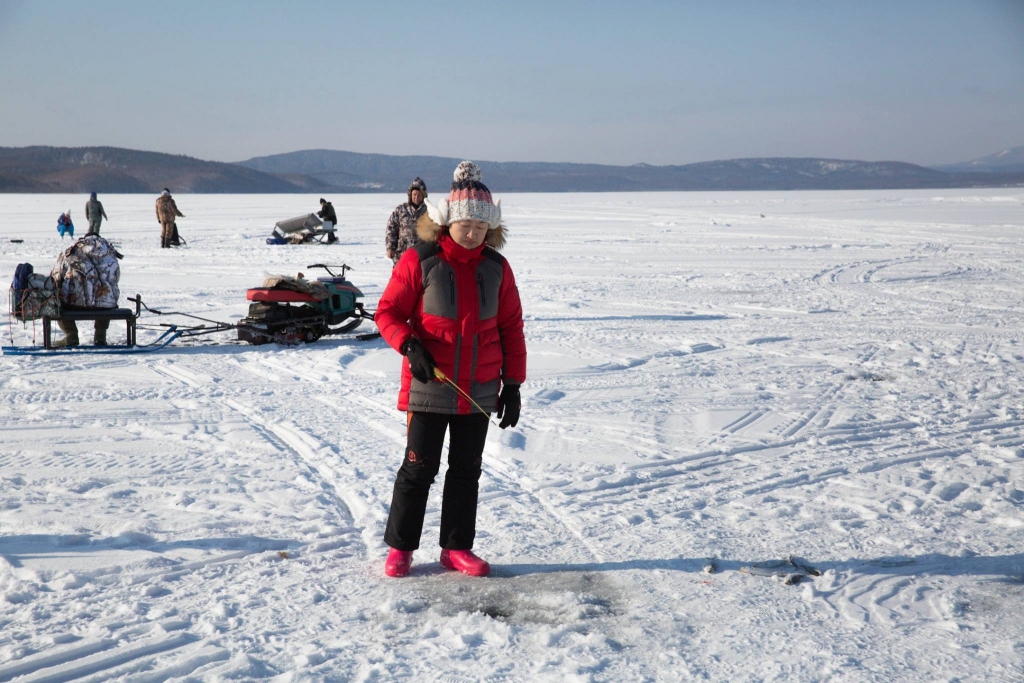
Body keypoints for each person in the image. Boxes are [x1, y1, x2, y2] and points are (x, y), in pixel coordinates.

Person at [375, 161, 526, 578]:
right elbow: (387, 312)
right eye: (465, 223)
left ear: (489, 227)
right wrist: (409, 345)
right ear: (449, 221)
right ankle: (401, 549)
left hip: (478, 390)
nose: (472, 232)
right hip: (429, 385)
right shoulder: (420, 260)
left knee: (465, 472)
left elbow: (511, 327)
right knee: (418, 469)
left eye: (481, 225)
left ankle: (456, 548)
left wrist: (512, 385)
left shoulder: (497, 269)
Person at [50, 234, 122, 347]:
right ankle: (100, 335)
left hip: (74, 304)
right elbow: (115, 279)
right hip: (105, 307)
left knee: (57, 303)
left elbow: (56, 277)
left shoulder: (71, 252)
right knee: (107, 299)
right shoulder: (111, 254)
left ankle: (71, 334)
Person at [385, 177, 428, 264]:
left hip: (422, 258)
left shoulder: (429, 212)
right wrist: (390, 247)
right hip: (402, 256)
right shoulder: (401, 210)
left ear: (423, 196)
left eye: (419, 195)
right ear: (410, 195)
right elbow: (391, 228)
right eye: (414, 194)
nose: (416, 197)